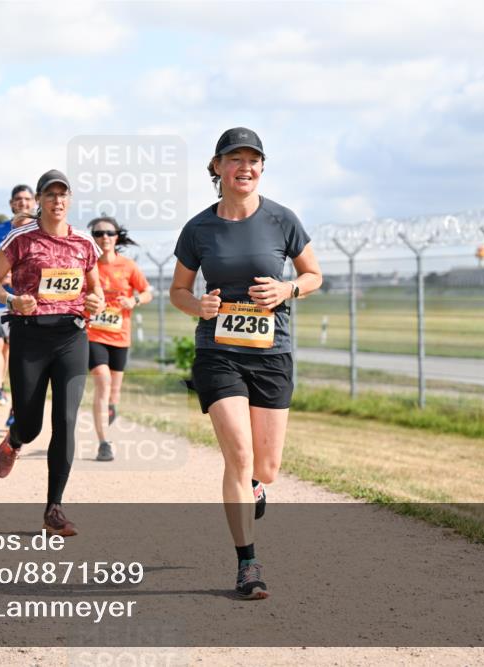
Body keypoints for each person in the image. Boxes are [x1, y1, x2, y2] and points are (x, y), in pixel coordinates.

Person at [170, 127, 322, 599]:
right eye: (235, 159)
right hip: (218, 353)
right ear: (216, 168)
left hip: (271, 353)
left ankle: (256, 486)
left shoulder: (282, 220)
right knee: (237, 454)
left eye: (253, 159)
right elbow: (178, 291)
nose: (245, 167)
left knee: (267, 466)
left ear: (261, 168)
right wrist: (200, 307)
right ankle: (248, 564)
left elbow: (313, 274)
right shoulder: (198, 228)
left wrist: (287, 289)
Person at [0, 169, 104, 537]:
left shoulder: (84, 242)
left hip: (72, 336)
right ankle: (16, 439)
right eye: (49, 195)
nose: (57, 201)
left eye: (62, 195)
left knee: (66, 420)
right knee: (32, 423)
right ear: (39, 200)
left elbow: (94, 289)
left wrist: (95, 302)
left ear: (70, 199)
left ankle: (54, 508)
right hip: (30, 336)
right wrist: (11, 299)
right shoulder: (21, 238)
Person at [86, 215, 153, 462]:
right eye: (98, 233)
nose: (104, 237)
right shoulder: (87, 265)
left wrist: (133, 300)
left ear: (117, 237)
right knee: (102, 382)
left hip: (120, 336)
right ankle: (104, 443)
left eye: (109, 233)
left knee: (113, 394)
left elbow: (147, 292)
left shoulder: (128, 266)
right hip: (93, 334)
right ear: (92, 238)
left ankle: (109, 411)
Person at [0, 185, 37, 408]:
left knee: (19, 350)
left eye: (27, 199)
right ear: (11, 204)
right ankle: (0, 390)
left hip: (33, 301)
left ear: (34, 202)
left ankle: (17, 401)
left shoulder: (42, 228)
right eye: (18, 199)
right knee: (3, 344)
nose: (23, 203)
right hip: (2, 300)